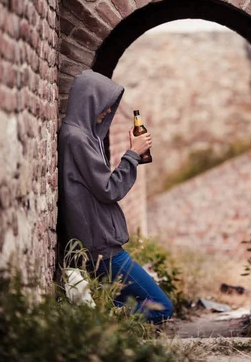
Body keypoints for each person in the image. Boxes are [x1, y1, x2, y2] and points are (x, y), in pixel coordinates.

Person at [58, 69, 173, 324]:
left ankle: (98, 318)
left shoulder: (84, 137)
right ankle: (99, 320)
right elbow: (109, 189)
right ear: (89, 100)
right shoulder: (76, 139)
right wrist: (132, 154)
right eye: (105, 104)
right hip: (100, 248)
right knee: (161, 308)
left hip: (100, 244)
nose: (109, 111)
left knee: (116, 299)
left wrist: (134, 154)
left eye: (111, 106)